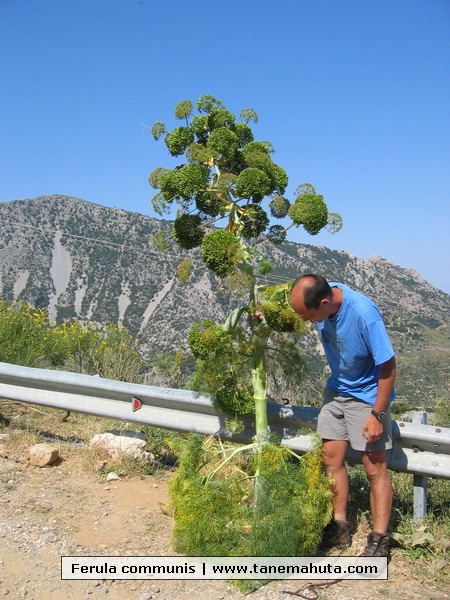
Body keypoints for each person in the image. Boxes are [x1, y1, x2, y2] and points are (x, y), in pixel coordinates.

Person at [290, 274, 396, 558]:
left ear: (325, 303)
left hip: (367, 398)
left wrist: (377, 414)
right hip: (336, 391)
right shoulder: (319, 296)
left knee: (374, 469)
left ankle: (379, 539)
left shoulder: (364, 314)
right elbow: (289, 306)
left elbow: (388, 367)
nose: (307, 321)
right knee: (331, 459)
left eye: (309, 316)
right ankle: (339, 527)